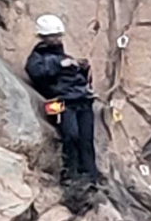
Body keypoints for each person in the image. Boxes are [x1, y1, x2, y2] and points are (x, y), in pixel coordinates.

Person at [25, 14, 97, 186]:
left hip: (82, 100)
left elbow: (81, 79)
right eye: (53, 36)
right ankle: (71, 173)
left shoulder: (64, 57)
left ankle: (90, 176)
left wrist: (82, 68)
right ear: (43, 37)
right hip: (62, 102)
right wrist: (59, 65)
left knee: (86, 139)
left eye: (58, 36)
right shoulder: (38, 58)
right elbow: (36, 72)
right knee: (71, 136)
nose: (56, 39)